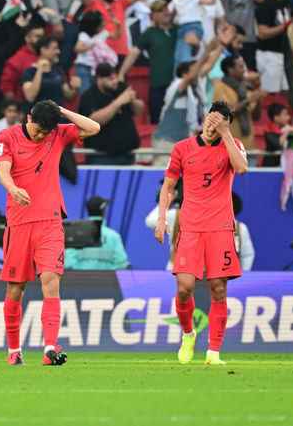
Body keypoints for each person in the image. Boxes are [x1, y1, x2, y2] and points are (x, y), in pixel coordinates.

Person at [0, 99, 101, 366]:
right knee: (16, 288)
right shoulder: (7, 136)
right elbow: (3, 171)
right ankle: (14, 350)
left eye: (46, 131)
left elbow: (94, 127)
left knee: (51, 282)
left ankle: (50, 349)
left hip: (51, 222)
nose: (41, 135)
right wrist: (13, 188)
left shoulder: (57, 132)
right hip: (19, 223)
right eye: (38, 130)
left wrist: (61, 112)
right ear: (28, 118)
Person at [156, 101, 247, 366]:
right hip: (191, 227)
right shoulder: (182, 148)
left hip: (220, 227)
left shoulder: (233, 145)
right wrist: (162, 219)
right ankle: (188, 334)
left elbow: (241, 168)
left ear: (226, 124)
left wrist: (227, 133)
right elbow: (169, 186)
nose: (212, 125)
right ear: (205, 118)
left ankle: (214, 352)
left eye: (220, 122)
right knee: (184, 288)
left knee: (218, 289)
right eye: (211, 118)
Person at [77, 63, 144, 165]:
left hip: (128, 154)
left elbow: (140, 110)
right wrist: (118, 102)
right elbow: (94, 121)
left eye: (116, 78)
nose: (115, 82)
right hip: (102, 157)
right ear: (99, 79)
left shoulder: (121, 88)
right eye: (110, 79)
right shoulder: (90, 96)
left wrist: (133, 99)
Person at [64, 196, 130, 270]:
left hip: (80, 280)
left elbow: (69, 263)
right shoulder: (113, 236)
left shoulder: (76, 235)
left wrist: (83, 274)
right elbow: (122, 263)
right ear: (103, 211)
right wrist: (105, 275)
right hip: (108, 281)